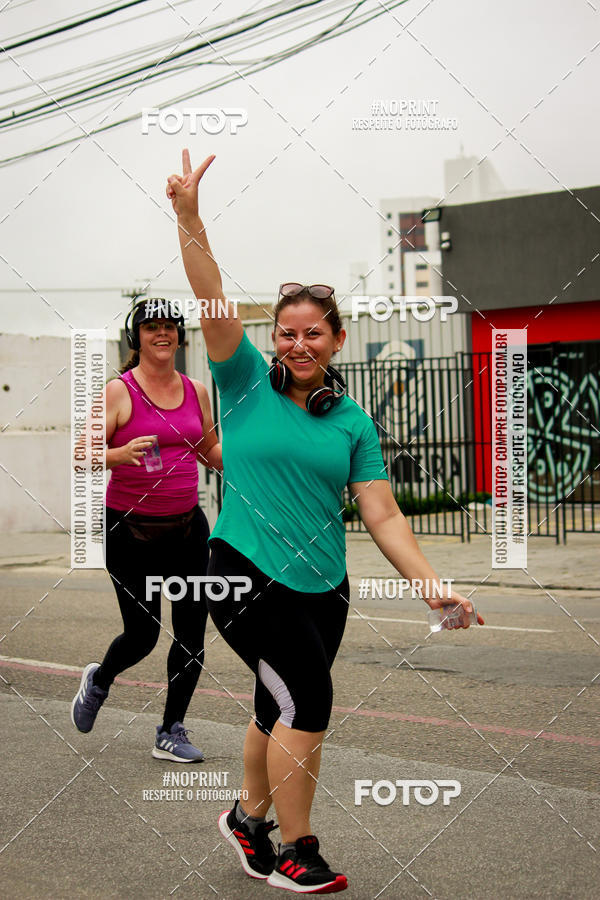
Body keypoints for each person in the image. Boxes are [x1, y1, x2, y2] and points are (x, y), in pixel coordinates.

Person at [167, 150, 484, 891]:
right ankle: (295, 849)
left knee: (271, 704)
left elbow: (383, 515)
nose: (297, 345)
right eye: (286, 332)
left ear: (336, 341)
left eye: (313, 333)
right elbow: (211, 298)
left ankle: (246, 820)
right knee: (307, 704)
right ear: (271, 338)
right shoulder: (243, 381)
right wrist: (189, 217)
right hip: (242, 569)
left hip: (324, 586)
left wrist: (429, 583)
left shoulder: (354, 424)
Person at [71, 298, 222, 763]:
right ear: (136, 336)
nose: (162, 334)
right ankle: (99, 679)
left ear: (180, 334)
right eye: (151, 327)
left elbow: (209, 447)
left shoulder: (196, 389)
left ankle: (170, 731)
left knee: (193, 636)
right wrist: (117, 455)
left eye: (170, 326)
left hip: (187, 530)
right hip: (130, 531)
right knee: (143, 636)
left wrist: (258, 470)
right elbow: (82, 453)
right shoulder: (120, 391)